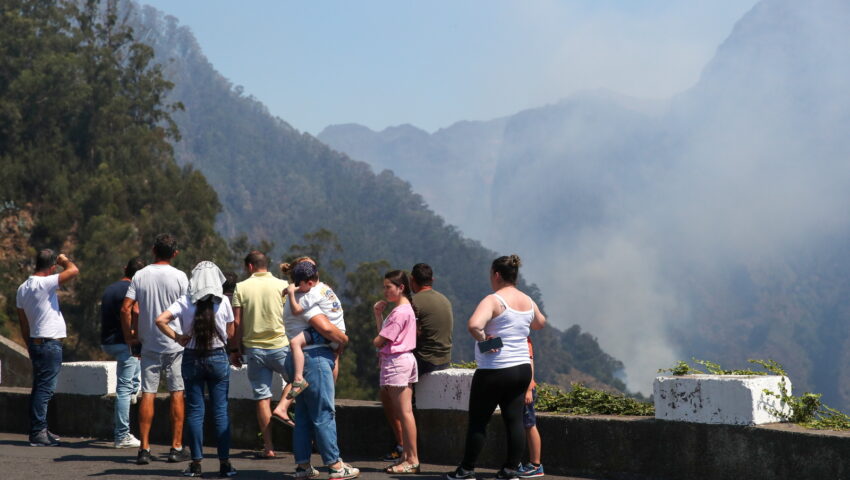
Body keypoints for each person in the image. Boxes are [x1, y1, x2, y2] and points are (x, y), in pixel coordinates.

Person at [447, 255, 546, 480]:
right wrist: (519, 328)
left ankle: (466, 470)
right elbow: (540, 323)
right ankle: (511, 470)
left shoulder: (494, 300)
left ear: (497, 275)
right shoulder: (528, 301)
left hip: (495, 370)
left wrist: (486, 340)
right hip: (521, 369)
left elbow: (474, 324)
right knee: (515, 421)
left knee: (479, 422)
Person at [156, 261, 237, 478]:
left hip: (191, 359)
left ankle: (196, 463)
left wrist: (178, 337)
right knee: (220, 411)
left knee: (195, 411)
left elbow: (160, 320)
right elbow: (230, 333)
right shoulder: (224, 303)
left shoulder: (184, 302)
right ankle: (225, 464)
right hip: (218, 358)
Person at [283, 260, 359, 480]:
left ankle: (303, 465)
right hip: (315, 358)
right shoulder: (306, 296)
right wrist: (343, 339)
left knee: (304, 415)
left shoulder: (293, 296)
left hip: (300, 359)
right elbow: (325, 327)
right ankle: (335, 466)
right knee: (324, 413)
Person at [120, 233, 190, 465]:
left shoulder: (140, 275)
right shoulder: (180, 276)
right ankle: (176, 447)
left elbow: (126, 308)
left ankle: (144, 448)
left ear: (153, 250)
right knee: (177, 392)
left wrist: (130, 336)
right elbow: (188, 308)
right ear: (175, 254)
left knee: (147, 393)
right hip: (175, 344)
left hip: (148, 343)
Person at [380, 263, 454, 462]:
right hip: (444, 359)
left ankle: (401, 444)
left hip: (425, 359)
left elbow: (390, 337)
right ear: (432, 280)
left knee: (387, 393)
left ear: (411, 281)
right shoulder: (444, 299)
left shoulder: (412, 303)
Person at [229, 250, 294, 459]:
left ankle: (269, 447)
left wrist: (235, 349)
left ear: (249, 267)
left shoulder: (241, 287)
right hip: (280, 346)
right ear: (267, 265)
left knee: (262, 397)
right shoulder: (282, 286)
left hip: (254, 349)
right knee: (298, 380)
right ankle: (284, 407)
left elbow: (237, 322)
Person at [16, 250, 79, 446]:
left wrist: (29, 345)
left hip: (36, 341)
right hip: (49, 343)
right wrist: (64, 260)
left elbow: (23, 323)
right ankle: (38, 433)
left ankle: (40, 428)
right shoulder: (44, 283)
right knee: (45, 389)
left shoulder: (22, 288)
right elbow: (74, 270)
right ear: (51, 268)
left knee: (39, 388)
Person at [373, 270, 420, 474]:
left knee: (404, 413)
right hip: (404, 360)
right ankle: (408, 457)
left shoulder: (399, 312)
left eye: (388, 287)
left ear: (401, 288)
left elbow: (379, 340)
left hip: (396, 363)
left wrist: (378, 317)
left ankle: (412, 459)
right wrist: (379, 315)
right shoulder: (406, 309)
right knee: (405, 412)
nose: (385, 291)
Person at [100, 257, 146, 449]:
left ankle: (136, 389)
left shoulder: (110, 288)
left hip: (107, 341)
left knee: (132, 380)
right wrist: (135, 334)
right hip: (123, 343)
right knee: (124, 389)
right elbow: (134, 312)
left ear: (125, 268)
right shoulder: (133, 291)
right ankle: (122, 435)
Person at [283, 261, 345, 399]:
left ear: (310, 283)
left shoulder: (311, 295)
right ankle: (331, 391)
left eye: (300, 285)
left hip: (329, 334)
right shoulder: (323, 288)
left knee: (295, 343)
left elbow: (296, 310)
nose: (298, 287)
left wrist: (292, 293)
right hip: (339, 329)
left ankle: (298, 379)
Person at [518, 337, 543, 478]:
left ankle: (536, 465)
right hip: (516, 384)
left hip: (525, 386)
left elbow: (530, 363)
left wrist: (528, 389)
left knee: (529, 424)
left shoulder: (524, 339)